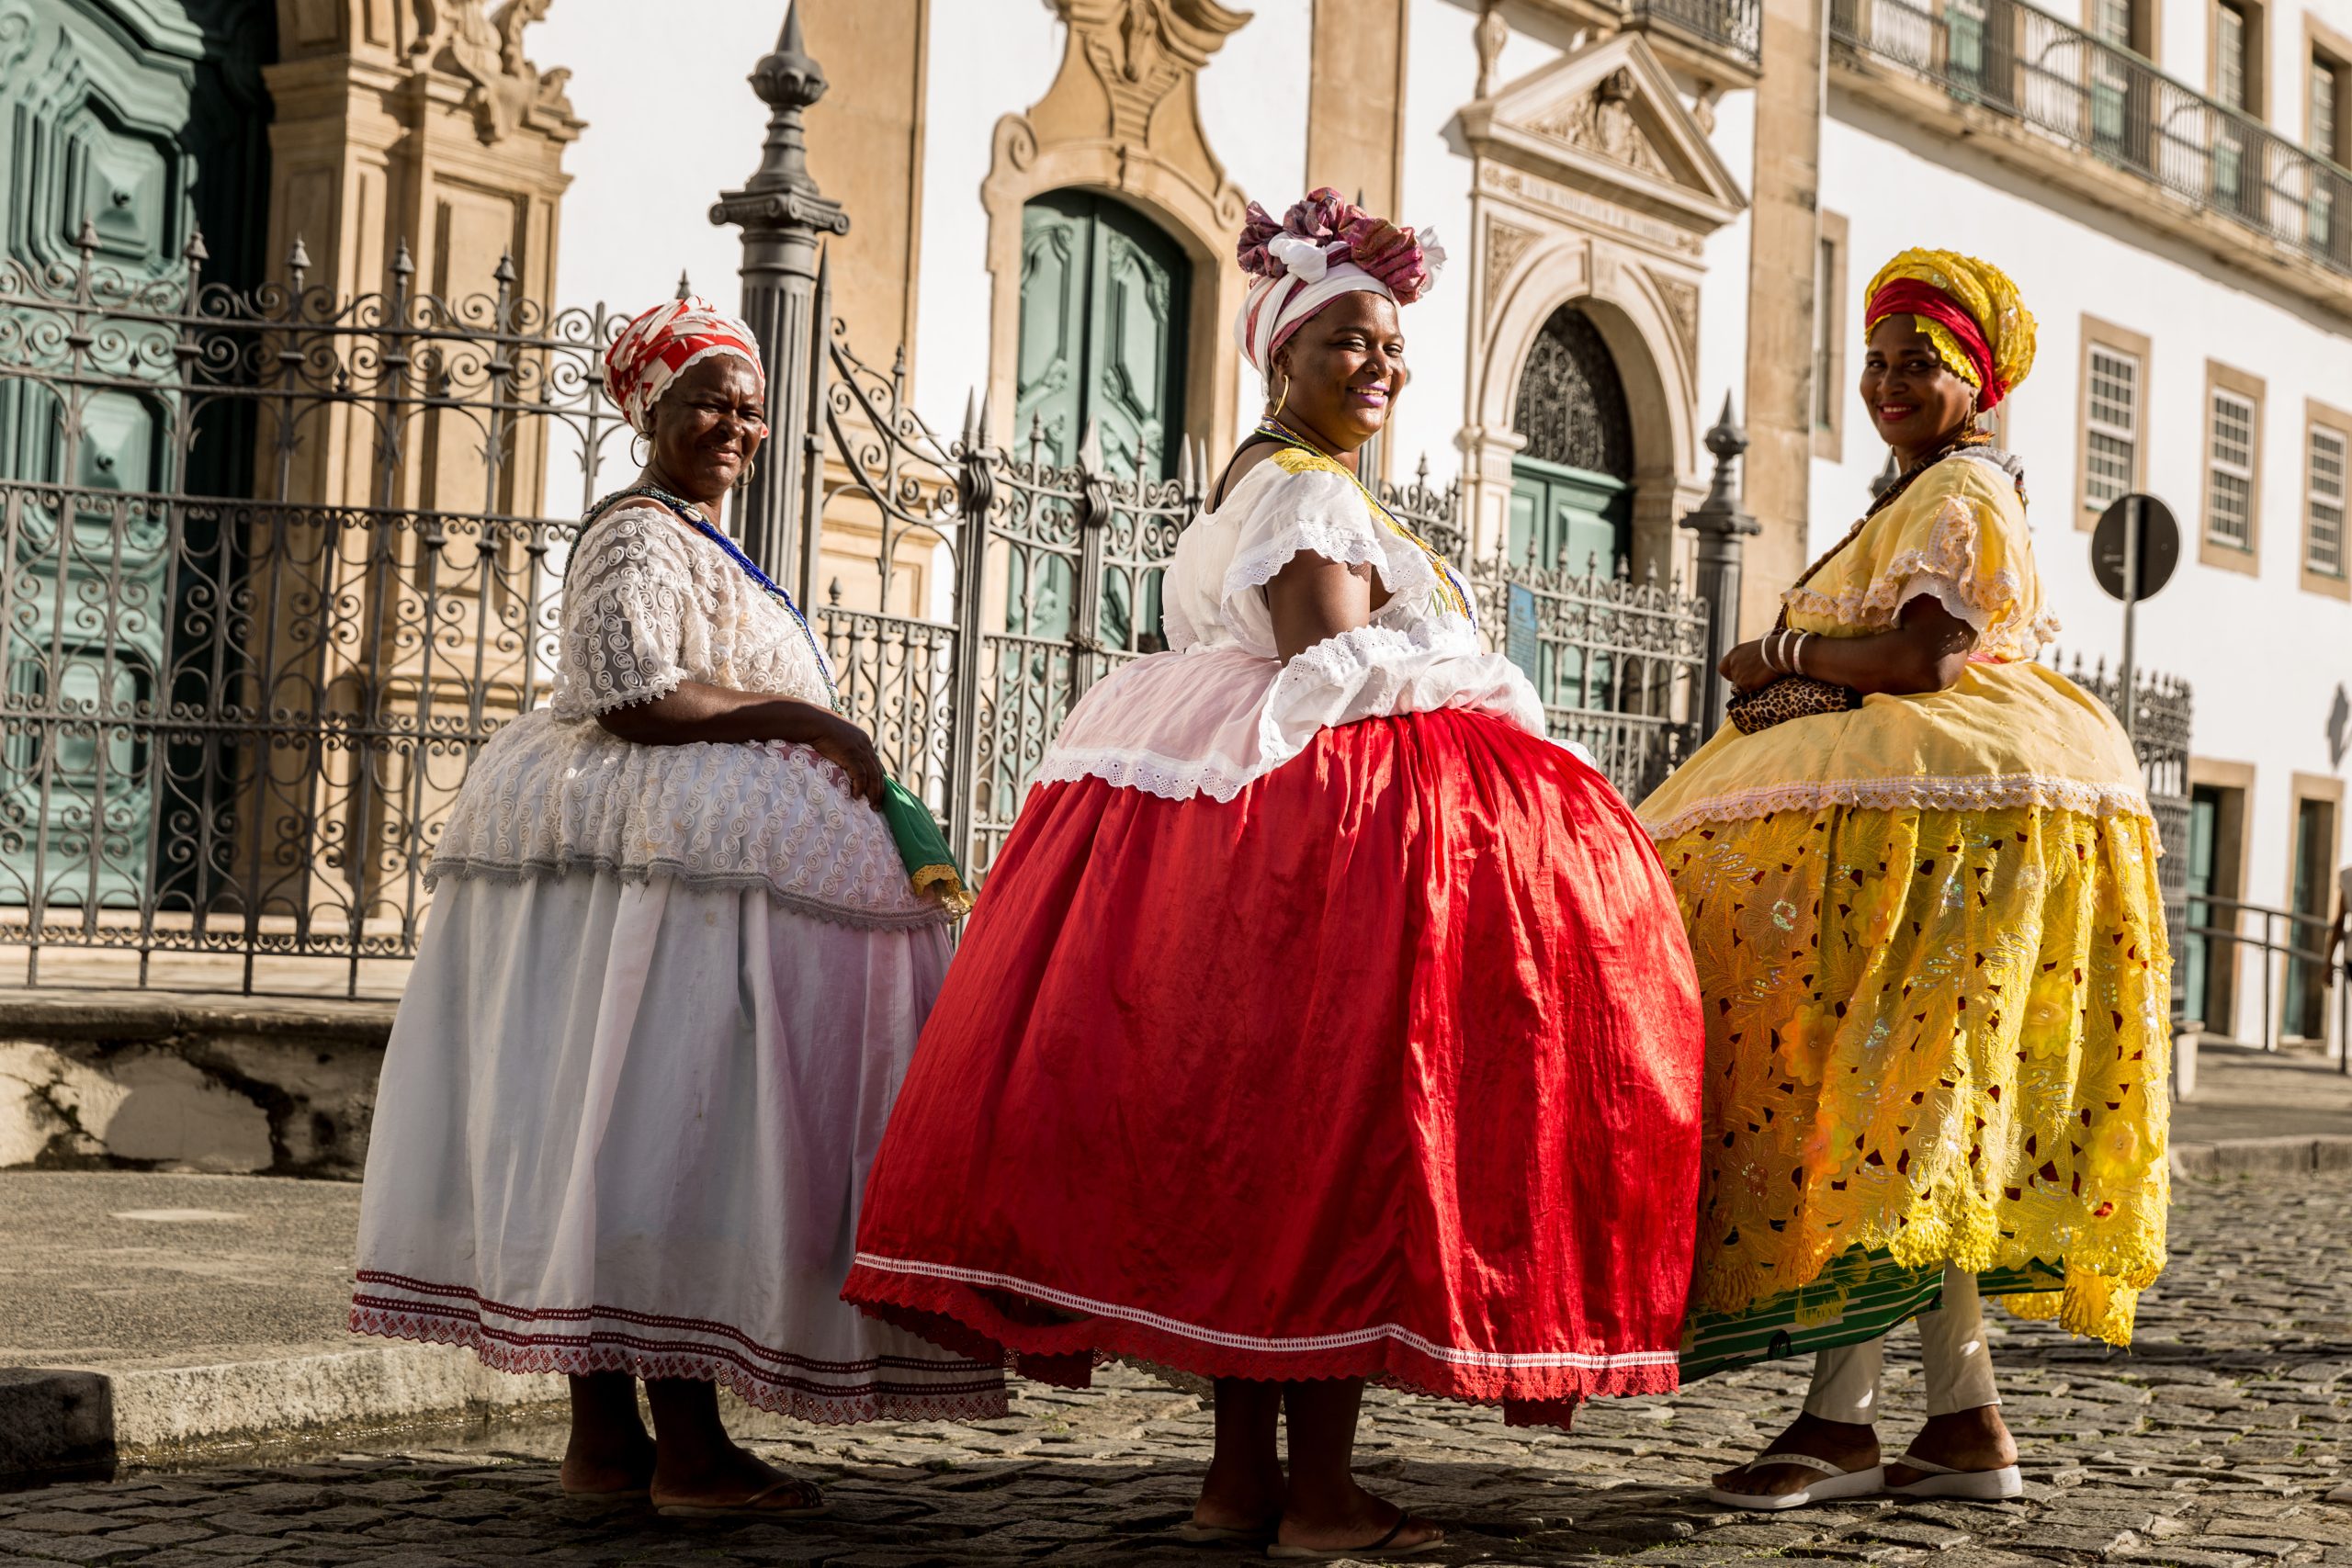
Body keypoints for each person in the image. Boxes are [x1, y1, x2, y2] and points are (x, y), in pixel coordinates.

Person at [842, 189, 1707, 1561]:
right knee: (1332, 1155)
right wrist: (1486, 689)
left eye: (1394, 349)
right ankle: (1319, 1497)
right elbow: (1334, 669)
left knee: (1252, 1162)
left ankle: (1243, 1482)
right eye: (1349, 343)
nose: (1381, 367)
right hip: (1320, 860)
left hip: (1244, 838)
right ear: (1281, 352)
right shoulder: (1306, 490)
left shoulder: (1269, 479)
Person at [349, 298, 1001, 1518]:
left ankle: (610, 1445)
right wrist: (809, 721)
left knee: (616, 1136)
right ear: (648, 408)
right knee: (663, 1135)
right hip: (636, 887)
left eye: (750, 407)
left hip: (650, 883)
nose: (734, 426)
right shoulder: (637, 533)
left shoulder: (694, 535)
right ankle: (683, 1449)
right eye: (708, 399)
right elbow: (634, 692)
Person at [1639, 250, 2171, 1509]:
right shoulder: (1930, 490)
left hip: (1937, 848)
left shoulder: (1963, 498)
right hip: (1912, 835)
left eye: (1917, 361)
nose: (1887, 382)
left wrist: (1781, 651)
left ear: (1976, 376)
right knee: (1904, 1126)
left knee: (1882, 1117)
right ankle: (1960, 1422)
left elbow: (1929, 655)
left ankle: (1842, 1425)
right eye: (1875, 361)